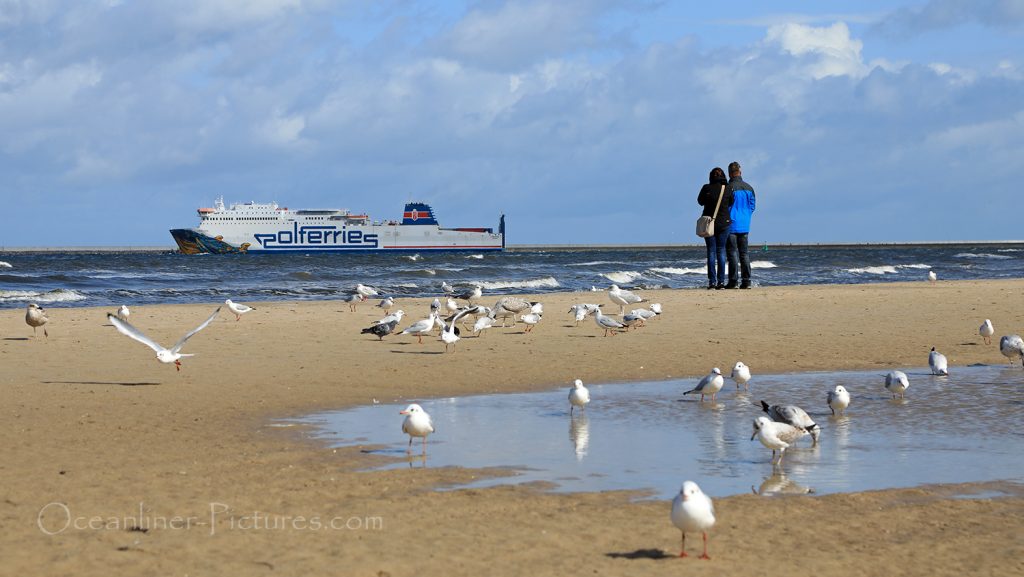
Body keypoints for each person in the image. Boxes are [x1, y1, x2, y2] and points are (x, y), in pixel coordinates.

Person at [697, 167, 733, 289]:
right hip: (724, 222)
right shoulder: (727, 188)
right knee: (721, 251)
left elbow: (700, 201)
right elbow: (731, 202)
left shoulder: (706, 188)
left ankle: (712, 282)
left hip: (709, 223)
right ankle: (721, 282)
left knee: (711, 252)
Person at [725, 161, 756, 289]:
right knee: (744, 253)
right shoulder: (749, 187)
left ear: (729, 173)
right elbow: (752, 206)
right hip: (744, 223)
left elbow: (725, 206)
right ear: (740, 171)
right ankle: (746, 280)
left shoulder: (728, 188)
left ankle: (733, 281)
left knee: (732, 253)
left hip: (731, 224)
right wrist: (746, 215)